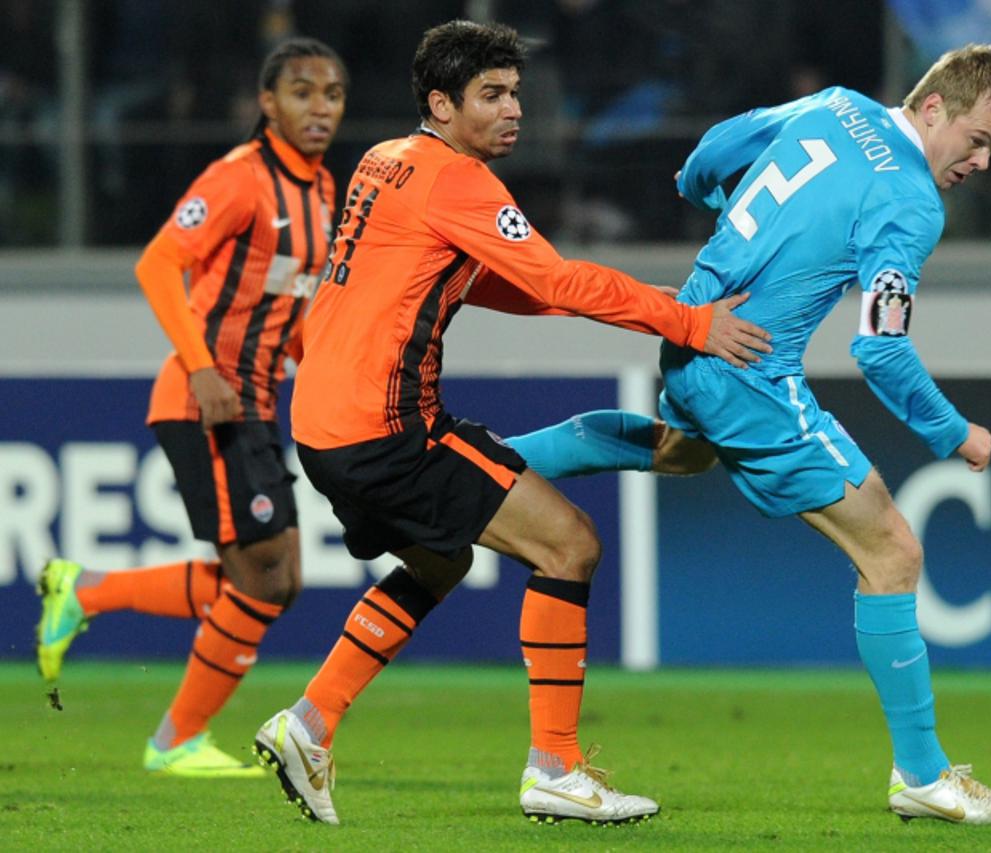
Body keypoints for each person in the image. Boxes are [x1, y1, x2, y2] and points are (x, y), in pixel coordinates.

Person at [250, 20, 769, 827]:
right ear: (441, 102)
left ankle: (308, 724)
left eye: (515, 93)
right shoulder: (458, 180)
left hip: (323, 426)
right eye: (491, 95)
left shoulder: (383, 160)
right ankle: (554, 767)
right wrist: (687, 321)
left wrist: (546, 290)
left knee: (438, 562)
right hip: (389, 427)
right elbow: (556, 281)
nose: (513, 109)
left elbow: (454, 273)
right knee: (570, 543)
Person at [502, 43, 991, 825]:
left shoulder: (834, 104)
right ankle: (922, 773)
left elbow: (713, 150)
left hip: (693, 328)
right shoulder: (911, 199)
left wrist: (707, 199)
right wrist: (953, 433)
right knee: (892, 549)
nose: (980, 163)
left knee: (681, 448)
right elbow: (878, 347)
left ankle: (486, 462)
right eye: (977, 141)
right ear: (929, 110)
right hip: (750, 369)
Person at [34, 37, 349, 777]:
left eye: (332, 93)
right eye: (301, 91)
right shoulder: (239, 179)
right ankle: (174, 738)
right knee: (265, 577)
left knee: (277, 579)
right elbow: (157, 262)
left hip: (257, 402)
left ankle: (86, 590)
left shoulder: (324, 191)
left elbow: (293, 305)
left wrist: (328, 376)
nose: (319, 107)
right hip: (207, 400)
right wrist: (205, 369)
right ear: (267, 103)